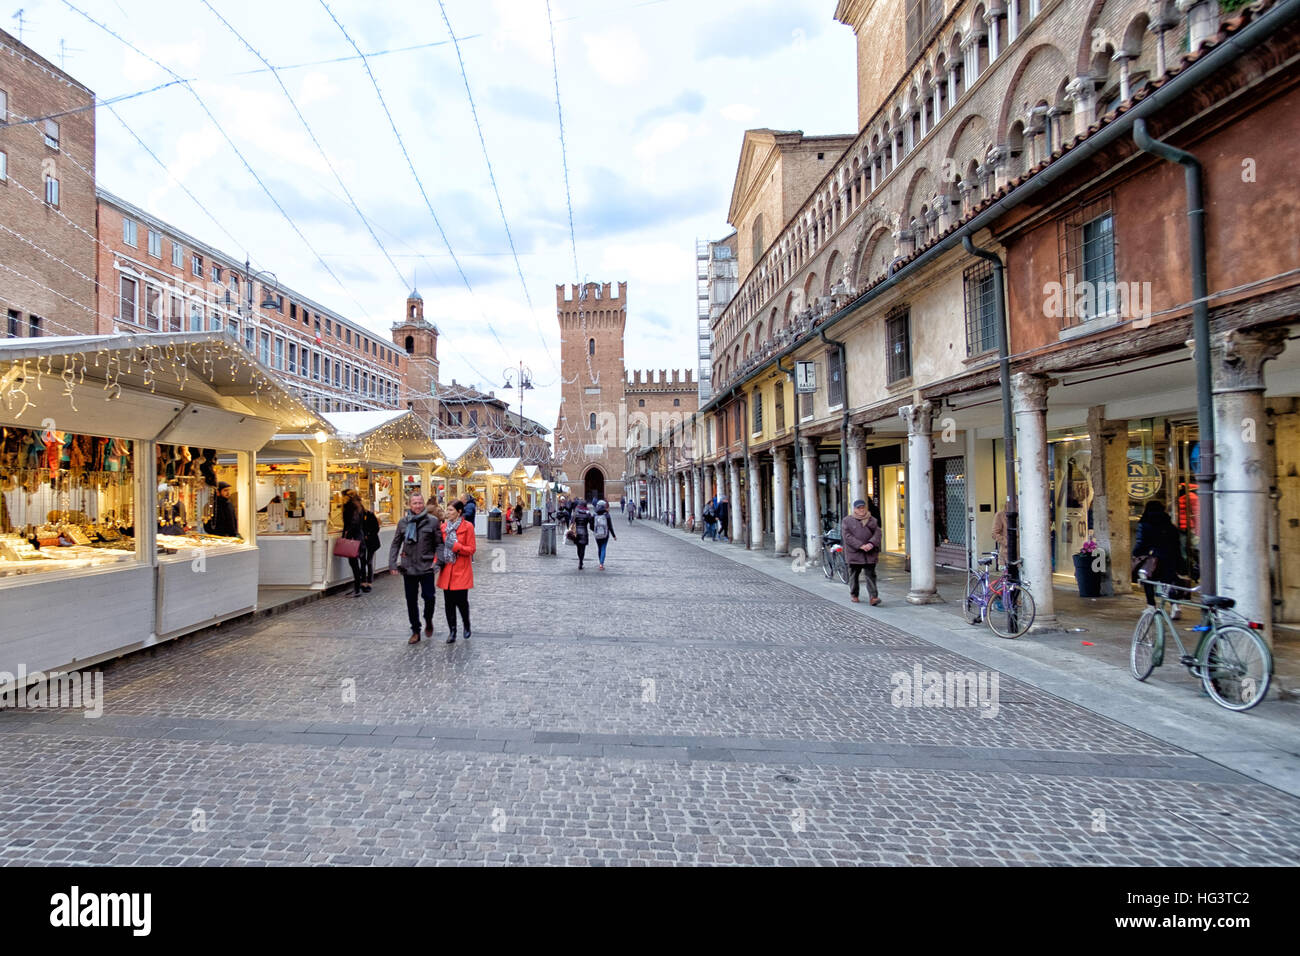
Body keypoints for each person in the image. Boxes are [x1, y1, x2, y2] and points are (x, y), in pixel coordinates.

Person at [389, 491, 443, 644]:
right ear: (409, 505)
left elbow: (439, 544)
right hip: (409, 567)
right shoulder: (403, 522)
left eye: (420, 503)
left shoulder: (432, 521)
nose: (418, 506)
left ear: (424, 503)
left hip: (426, 566)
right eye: (415, 503)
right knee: (411, 601)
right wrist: (393, 563)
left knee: (429, 597)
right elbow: (395, 544)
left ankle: (428, 619)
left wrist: (437, 562)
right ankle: (415, 630)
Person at [1133, 499, 1182, 611]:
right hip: (1169, 557)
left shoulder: (1144, 524)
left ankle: (1151, 606)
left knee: (1148, 581)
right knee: (1167, 582)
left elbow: (1141, 542)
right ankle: (1175, 606)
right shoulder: (1169, 524)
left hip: (1151, 558)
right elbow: (1176, 543)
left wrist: (1136, 554)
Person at [438, 499, 476, 643]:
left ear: (459, 512)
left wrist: (455, 546)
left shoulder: (468, 527)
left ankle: (466, 624)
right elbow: (440, 548)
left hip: (461, 569)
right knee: (449, 603)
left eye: (451, 510)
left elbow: (471, 549)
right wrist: (436, 562)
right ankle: (452, 630)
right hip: (447, 570)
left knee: (462, 602)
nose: (447, 513)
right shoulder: (443, 528)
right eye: (447, 510)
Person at [842, 498, 883, 606]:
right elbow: (847, 536)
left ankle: (873, 597)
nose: (861, 510)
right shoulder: (847, 520)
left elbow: (878, 533)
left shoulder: (872, 520)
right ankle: (854, 594)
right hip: (854, 553)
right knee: (854, 575)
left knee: (871, 575)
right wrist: (860, 545)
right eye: (858, 508)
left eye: (863, 507)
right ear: (854, 509)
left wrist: (871, 544)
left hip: (870, 553)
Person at [360, 497, 381, 590]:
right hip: (363, 542)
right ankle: (364, 581)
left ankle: (369, 581)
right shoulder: (359, 516)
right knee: (363, 561)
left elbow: (376, 528)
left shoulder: (370, 515)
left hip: (371, 542)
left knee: (368, 561)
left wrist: (368, 535)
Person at [592, 499, 617, 570]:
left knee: (599, 548)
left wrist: (594, 531)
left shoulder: (594, 514)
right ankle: (601, 563)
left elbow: (591, 525)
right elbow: (610, 526)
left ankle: (600, 561)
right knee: (603, 548)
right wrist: (614, 535)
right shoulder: (607, 515)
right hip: (605, 534)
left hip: (597, 534)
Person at [571, 497, 593, 570]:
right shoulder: (587, 513)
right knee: (583, 549)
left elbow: (572, 522)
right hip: (584, 532)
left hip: (577, 532)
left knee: (578, 547)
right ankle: (581, 561)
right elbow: (591, 523)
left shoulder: (576, 513)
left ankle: (580, 560)